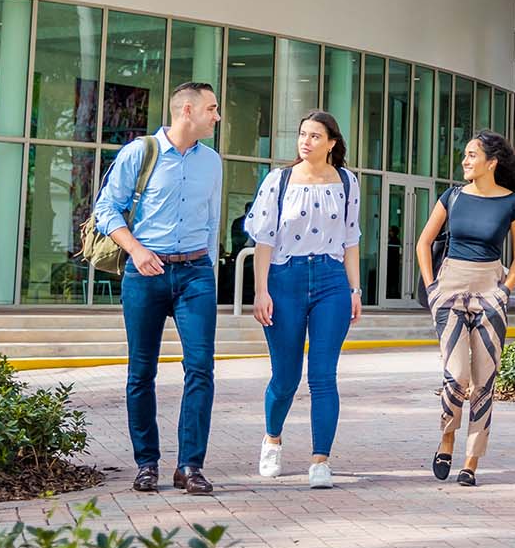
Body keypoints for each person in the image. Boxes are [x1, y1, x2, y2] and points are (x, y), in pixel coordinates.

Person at [94, 81, 224, 495]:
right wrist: (135, 250)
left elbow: (211, 219)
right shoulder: (140, 152)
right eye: (212, 109)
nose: (217, 117)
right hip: (144, 273)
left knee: (201, 367)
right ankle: (146, 463)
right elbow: (105, 210)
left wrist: (208, 263)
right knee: (141, 372)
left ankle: (190, 465)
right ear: (187, 110)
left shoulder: (213, 162)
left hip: (195, 272)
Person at [247, 111, 362, 488]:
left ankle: (320, 461)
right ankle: (272, 439)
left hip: (331, 281)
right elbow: (263, 239)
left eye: (315, 135)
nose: (306, 141)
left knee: (323, 376)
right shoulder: (278, 180)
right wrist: (261, 290)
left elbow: (350, 240)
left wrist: (354, 289)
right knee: (285, 377)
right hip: (284, 279)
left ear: (331, 142)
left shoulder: (347, 181)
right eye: (302, 134)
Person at [415, 129, 515, 487]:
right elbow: (424, 243)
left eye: (471, 155)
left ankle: (471, 460)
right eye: (464, 155)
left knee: (484, 380)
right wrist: (432, 288)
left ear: (491, 162)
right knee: (457, 375)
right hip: (449, 289)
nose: (465, 161)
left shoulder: (512, 203)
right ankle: (447, 436)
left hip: (489, 291)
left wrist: (504, 292)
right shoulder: (452, 197)